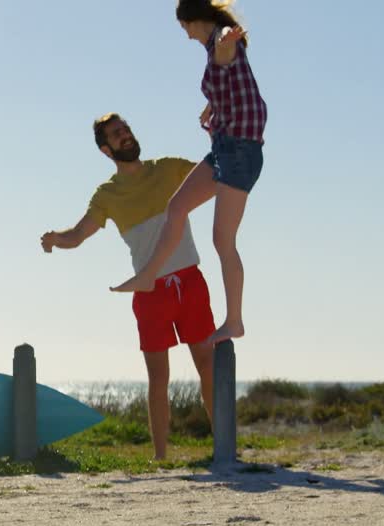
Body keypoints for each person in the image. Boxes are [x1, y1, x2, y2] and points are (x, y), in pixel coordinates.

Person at [40, 113, 215, 460]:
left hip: (191, 282)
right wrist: (55, 239)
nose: (126, 136)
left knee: (209, 367)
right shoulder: (107, 194)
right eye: (117, 134)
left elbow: (215, 174)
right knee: (158, 379)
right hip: (149, 293)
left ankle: (225, 446)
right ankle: (161, 457)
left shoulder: (168, 168)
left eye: (127, 130)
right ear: (106, 149)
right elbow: (77, 235)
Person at [109, 0, 266, 348]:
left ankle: (235, 321)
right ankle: (149, 274)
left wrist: (227, 40)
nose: (186, 35)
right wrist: (211, 105)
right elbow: (230, 81)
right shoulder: (213, 50)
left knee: (222, 241)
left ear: (196, 21)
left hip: (240, 153)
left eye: (185, 28)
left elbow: (227, 47)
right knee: (176, 206)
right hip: (225, 149)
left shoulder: (222, 42)